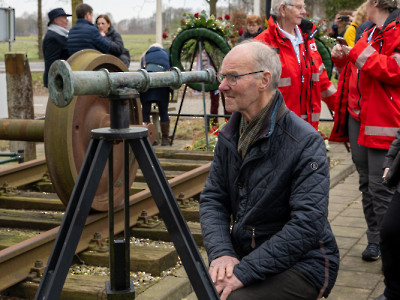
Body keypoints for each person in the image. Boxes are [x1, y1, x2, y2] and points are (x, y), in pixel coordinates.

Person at [199, 40, 339, 300]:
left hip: (305, 263)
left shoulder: (305, 141)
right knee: (209, 288)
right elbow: (213, 199)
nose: (221, 86)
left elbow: (307, 224)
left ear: (264, 80)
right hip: (250, 253)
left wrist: (244, 271)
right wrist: (221, 253)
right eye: (222, 76)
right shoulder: (231, 134)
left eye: (232, 77)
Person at [330, 0, 400, 262]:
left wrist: (357, 53)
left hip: (383, 122)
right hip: (357, 119)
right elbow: (356, 72)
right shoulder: (368, 32)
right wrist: (341, 60)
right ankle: (375, 240)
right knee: (366, 185)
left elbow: (395, 70)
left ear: (373, 2)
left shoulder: (397, 30)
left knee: (381, 188)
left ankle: (391, 250)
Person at [255, 0, 336, 131]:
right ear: (282, 9)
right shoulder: (262, 44)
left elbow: (323, 83)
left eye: (303, 7)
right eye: (299, 7)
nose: (304, 11)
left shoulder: (308, 40)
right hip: (277, 131)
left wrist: (345, 109)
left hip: (309, 131)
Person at [140, 44, 172, 146]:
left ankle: (148, 139)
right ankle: (165, 139)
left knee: (145, 112)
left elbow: (142, 69)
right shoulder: (166, 54)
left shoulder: (145, 55)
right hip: (162, 85)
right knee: (163, 112)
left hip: (147, 85)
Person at [42, 8, 72, 88]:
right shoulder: (53, 37)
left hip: (60, 77)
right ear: (55, 20)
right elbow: (51, 61)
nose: (67, 20)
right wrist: (52, 81)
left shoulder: (60, 34)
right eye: (64, 18)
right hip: (57, 80)